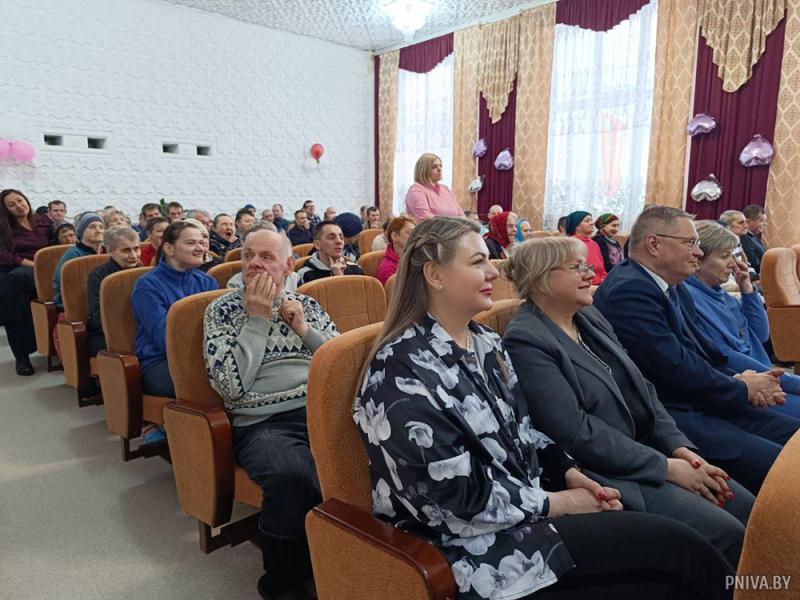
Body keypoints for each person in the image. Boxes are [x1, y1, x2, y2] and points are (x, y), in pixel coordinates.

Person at [355, 217, 733, 600]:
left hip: (528, 510)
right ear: (435, 275)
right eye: (477, 262)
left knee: (685, 551)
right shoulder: (398, 370)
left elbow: (523, 429)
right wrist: (558, 503)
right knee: (680, 557)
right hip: (473, 550)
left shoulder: (484, 340)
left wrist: (567, 472)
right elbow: (447, 499)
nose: (493, 271)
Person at [503, 237, 753, 569]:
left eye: (587, 265)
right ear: (541, 279)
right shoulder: (526, 340)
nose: (590, 274)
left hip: (648, 449)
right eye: (577, 267)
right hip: (607, 472)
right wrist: (666, 467)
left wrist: (679, 449)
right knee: (726, 533)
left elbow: (643, 387)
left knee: (748, 507)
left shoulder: (587, 316)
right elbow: (576, 433)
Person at [593, 206, 800, 493]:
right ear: (654, 244)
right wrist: (740, 387)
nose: (698, 253)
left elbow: (704, 353)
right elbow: (674, 367)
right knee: (787, 468)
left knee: (794, 436)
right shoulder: (629, 291)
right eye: (690, 243)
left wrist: (743, 381)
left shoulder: (670, 285)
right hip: (677, 416)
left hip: (705, 398)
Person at [204, 228, 338, 600]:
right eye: (248, 255)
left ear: (288, 266)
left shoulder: (307, 305)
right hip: (264, 422)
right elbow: (230, 386)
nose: (254, 264)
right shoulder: (221, 310)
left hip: (319, 408)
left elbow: (339, 362)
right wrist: (258, 319)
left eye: (266, 257)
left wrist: (304, 330)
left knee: (382, 449)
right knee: (294, 477)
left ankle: (346, 559)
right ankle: (282, 582)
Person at [686, 221, 800, 418]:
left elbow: (761, 334)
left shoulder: (719, 293)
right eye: (724, 256)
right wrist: (792, 382)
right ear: (698, 259)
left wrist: (747, 289)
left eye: (733, 255)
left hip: (767, 378)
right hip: (747, 385)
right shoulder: (690, 298)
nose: (733, 264)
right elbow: (726, 356)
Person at [131, 221, 217, 431]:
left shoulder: (207, 282)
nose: (200, 247)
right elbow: (164, 340)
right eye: (191, 243)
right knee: (212, 386)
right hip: (160, 361)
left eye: (201, 242)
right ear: (169, 248)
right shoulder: (147, 286)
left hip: (204, 357)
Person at [0, 189, 54, 375]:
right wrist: (33, 265)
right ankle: (22, 356)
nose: (18, 206)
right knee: (14, 292)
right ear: (6, 210)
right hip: (19, 269)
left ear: (26, 200)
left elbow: (58, 241)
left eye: (20, 200)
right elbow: (5, 255)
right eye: (11, 205)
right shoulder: (4, 228)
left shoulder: (44, 221)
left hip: (48, 267)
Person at [86, 226, 142, 358]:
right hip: (107, 333)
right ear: (110, 251)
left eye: (136, 248)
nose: (134, 255)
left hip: (141, 328)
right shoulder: (98, 276)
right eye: (126, 250)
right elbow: (97, 318)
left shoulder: (145, 272)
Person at [53, 213, 105, 308]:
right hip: (75, 303)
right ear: (81, 231)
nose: (98, 230)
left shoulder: (107, 252)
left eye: (101, 227)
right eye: (92, 227)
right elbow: (66, 286)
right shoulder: (73, 255)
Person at [296, 220, 363, 285]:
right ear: (317, 244)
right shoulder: (305, 275)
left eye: (341, 237)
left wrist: (339, 277)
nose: (339, 241)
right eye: (331, 237)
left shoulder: (355, 268)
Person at [403, 153, 464, 221]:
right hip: (432, 228)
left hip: (454, 227)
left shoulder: (445, 189)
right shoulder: (416, 191)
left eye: (440, 166)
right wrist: (455, 224)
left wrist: (462, 223)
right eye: (434, 167)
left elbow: (460, 213)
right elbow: (427, 219)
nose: (439, 169)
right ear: (424, 170)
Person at [565, 211, 607, 285]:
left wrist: (606, 280)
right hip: (586, 284)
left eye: (591, 220)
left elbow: (602, 270)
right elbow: (580, 273)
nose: (592, 223)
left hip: (601, 283)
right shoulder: (572, 243)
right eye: (587, 221)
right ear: (576, 226)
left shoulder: (594, 244)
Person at [375, 216, 414, 285]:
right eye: (410, 233)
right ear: (395, 236)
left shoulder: (413, 259)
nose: (415, 237)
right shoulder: (387, 269)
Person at [740, 204, 767, 275]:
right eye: (761, 221)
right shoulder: (744, 238)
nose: (765, 224)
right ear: (749, 221)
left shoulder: (753, 237)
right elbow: (753, 263)